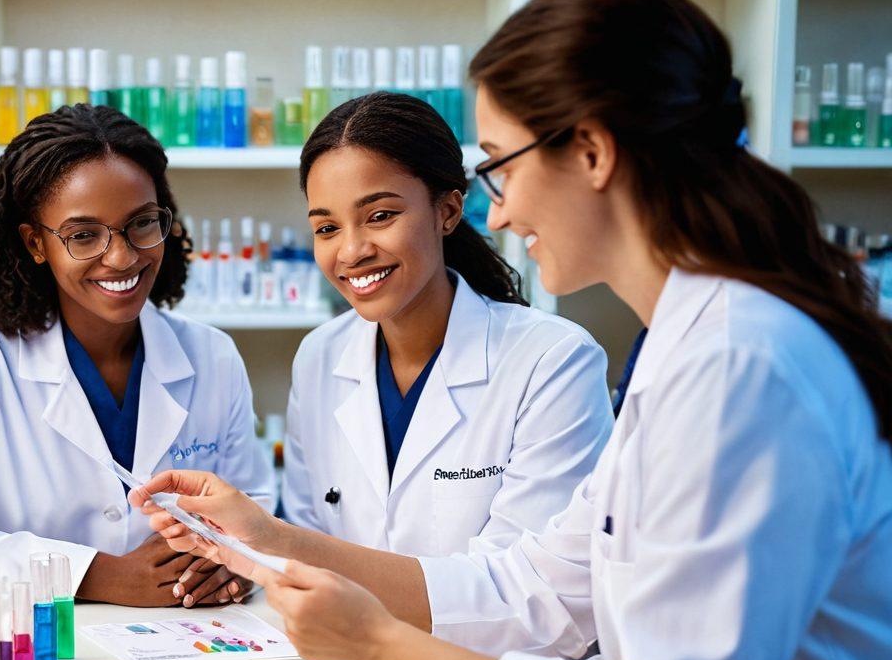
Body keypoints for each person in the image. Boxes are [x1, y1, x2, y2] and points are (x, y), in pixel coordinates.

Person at [132, 0, 892, 660]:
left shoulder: (740, 364)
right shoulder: (689, 340)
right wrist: (269, 537)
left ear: (592, 151)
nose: (498, 212)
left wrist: (380, 648)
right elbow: (540, 590)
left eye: (500, 166)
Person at [173, 93, 614, 624]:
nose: (352, 251)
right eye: (326, 228)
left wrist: (274, 540)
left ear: (448, 210)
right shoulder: (320, 356)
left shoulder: (553, 361)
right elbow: (311, 550)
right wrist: (242, 552)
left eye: (380, 216)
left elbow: (529, 601)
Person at [0, 104, 274, 606]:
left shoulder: (212, 356)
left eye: (141, 224)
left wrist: (234, 565)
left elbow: (255, 508)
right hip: (36, 650)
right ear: (35, 243)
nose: (123, 257)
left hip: (190, 641)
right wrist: (99, 575)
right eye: (84, 235)